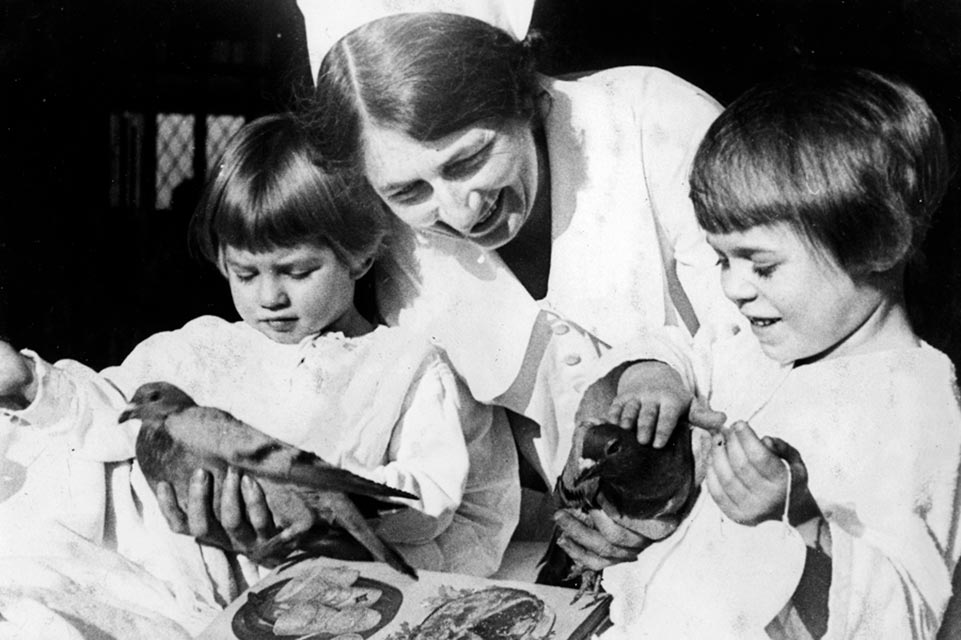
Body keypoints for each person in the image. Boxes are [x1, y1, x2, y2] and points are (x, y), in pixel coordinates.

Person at [0, 113, 517, 633]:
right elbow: (109, 413)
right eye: (244, 273)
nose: (269, 298)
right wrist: (28, 383)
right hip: (165, 589)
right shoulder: (197, 349)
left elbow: (432, 494)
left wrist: (303, 505)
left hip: (303, 602)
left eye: (297, 271)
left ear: (358, 256)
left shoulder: (403, 367)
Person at [288, 0, 737, 569]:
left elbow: (780, 342)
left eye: (469, 159)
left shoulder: (654, 121)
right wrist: (578, 520)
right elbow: (480, 465)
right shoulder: (402, 254)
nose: (459, 210)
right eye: (409, 192)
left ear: (519, 93)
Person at [583, 67, 961, 639]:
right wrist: (653, 377)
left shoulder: (917, 406)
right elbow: (686, 351)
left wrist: (803, 519)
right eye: (722, 261)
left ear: (878, 245)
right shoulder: (759, 345)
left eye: (761, 265)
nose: (734, 288)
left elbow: (904, 620)